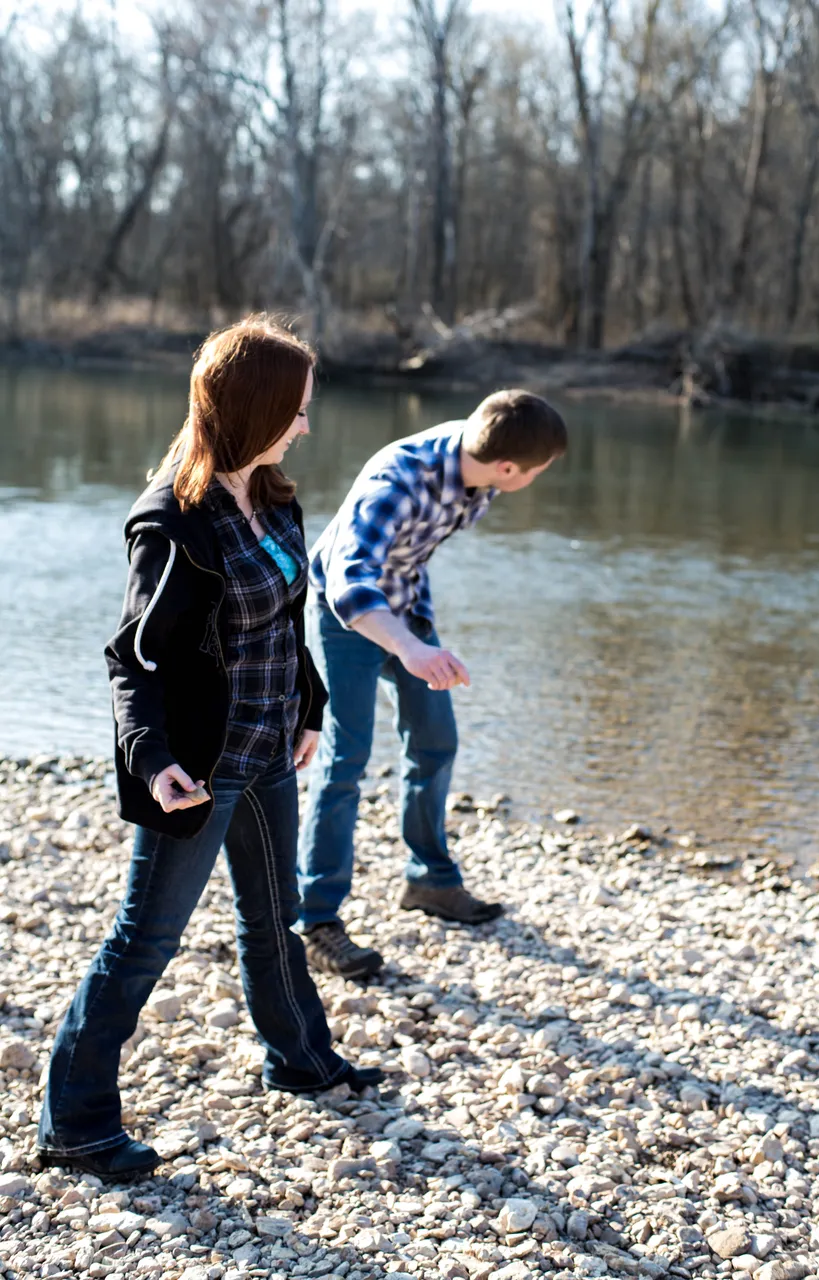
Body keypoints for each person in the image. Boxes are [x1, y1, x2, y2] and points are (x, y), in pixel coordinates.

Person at [37, 317, 382, 1179]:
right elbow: (134, 658)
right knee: (144, 941)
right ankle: (75, 1122)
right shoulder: (171, 522)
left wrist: (310, 707)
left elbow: (287, 621)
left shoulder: (272, 495)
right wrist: (154, 762)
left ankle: (300, 1060)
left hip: (270, 749)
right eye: (296, 410)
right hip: (199, 769)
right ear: (253, 408)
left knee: (274, 915)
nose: (305, 425)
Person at [298, 389, 568, 979]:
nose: (538, 478)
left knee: (435, 742)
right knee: (346, 758)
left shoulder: (479, 460)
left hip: (406, 606)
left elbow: (408, 557)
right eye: (538, 470)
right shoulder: (397, 481)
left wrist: (417, 640)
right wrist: (410, 649)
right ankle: (314, 920)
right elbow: (348, 583)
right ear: (507, 468)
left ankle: (431, 882)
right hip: (346, 617)